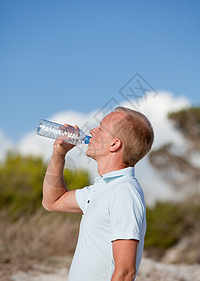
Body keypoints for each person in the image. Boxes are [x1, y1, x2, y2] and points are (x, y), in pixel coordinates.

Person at [42, 106, 154, 281]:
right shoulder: (103, 188)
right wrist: (59, 153)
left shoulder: (124, 192)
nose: (92, 131)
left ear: (114, 144)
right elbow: (52, 201)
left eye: (101, 128)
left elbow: (125, 272)